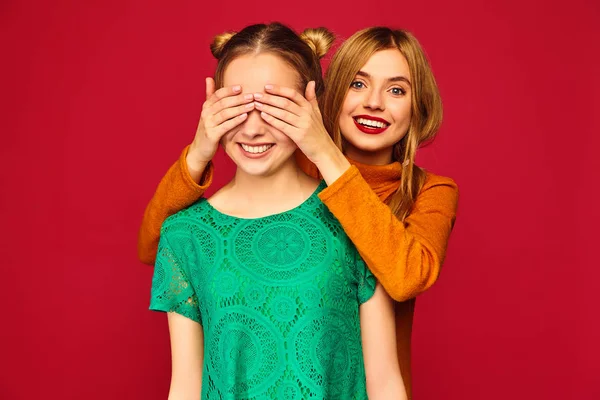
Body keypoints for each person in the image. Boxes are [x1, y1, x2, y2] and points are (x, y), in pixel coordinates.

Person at [141, 26, 458, 399]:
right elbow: (162, 242)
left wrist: (324, 150)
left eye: (396, 90)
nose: (373, 102)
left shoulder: (400, 197)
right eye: (358, 84)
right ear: (331, 95)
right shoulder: (288, 170)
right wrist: (200, 149)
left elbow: (406, 278)